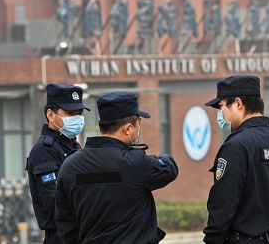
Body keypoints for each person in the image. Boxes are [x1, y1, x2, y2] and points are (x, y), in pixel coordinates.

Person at [55, 92, 179, 244]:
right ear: (128, 128)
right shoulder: (135, 163)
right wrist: (161, 158)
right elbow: (169, 169)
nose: (138, 130)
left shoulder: (69, 166)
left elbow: (65, 223)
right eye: (138, 124)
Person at [203, 75, 269, 244]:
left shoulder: (237, 146)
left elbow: (224, 204)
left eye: (221, 107)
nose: (221, 114)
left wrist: (213, 238)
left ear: (238, 104)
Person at [26, 83, 89, 244]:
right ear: (51, 115)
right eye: (69, 113)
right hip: (60, 237)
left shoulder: (73, 145)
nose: (76, 118)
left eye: (79, 113)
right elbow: (54, 202)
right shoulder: (44, 151)